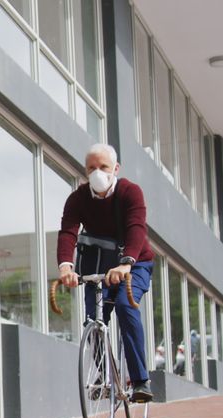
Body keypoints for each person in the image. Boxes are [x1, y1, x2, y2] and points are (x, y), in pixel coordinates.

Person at [57, 144, 156, 403]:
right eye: (91, 168)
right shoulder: (77, 198)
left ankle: (140, 381)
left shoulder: (130, 192)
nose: (97, 172)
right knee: (93, 319)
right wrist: (65, 266)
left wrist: (126, 263)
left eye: (103, 167)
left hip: (135, 264)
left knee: (125, 307)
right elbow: (68, 230)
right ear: (85, 170)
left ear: (115, 169)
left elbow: (136, 227)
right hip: (99, 267)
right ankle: (105, 378)